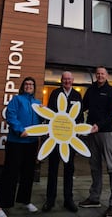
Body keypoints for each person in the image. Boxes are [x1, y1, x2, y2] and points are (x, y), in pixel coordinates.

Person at [0, 77, 41, 217]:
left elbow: (42, 121)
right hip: (16, 143)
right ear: (22, 86)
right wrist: (20, 130)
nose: (29, 86)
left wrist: (45, 113)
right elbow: (11, 116)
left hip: (32, 143)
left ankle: (25, 200)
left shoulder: (37, 103)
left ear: (34, 87)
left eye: (31, 84)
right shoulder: (16, 99)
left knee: (28, 173)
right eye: (26, 84)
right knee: (10, 173)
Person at [79, 66, 112, 217]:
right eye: (98, 74)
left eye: (102, 73)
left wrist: (99, 125)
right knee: (94, 166)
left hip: (106, 133)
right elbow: (82, 107)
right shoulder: (91, 90)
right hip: (91, 132)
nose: (100, 76)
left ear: (107, 75)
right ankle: (94, 198)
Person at [42, 71, 83, 213]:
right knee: (52, 168)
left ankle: (68, 200)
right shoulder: (54, 94)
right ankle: (50, 200)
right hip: (55, 139)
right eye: (64, 79)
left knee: (69, 169)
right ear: (61, 80)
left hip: (70, 140)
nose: (67, 81)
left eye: (69, 79)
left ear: (72, 80)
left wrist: (77, 132)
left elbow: (80, 117)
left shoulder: (77, 96)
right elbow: (50, 114)